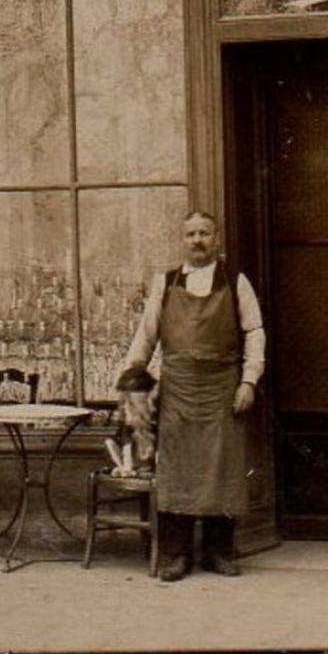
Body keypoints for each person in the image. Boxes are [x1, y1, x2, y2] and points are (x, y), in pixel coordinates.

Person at [121, 210, 265, 581]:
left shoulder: (236, 281)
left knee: (223, 469)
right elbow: (146, 333)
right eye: (191, 234)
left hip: (222, 389)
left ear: (216, 239)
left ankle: (219, 552)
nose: (198, 240)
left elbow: (254, 332)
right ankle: (175, 555)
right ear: (182, 240)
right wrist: (133, 373)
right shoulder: (165, 283)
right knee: (177, 470)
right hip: (178, 390)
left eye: (204, 233)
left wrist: (248, 381)